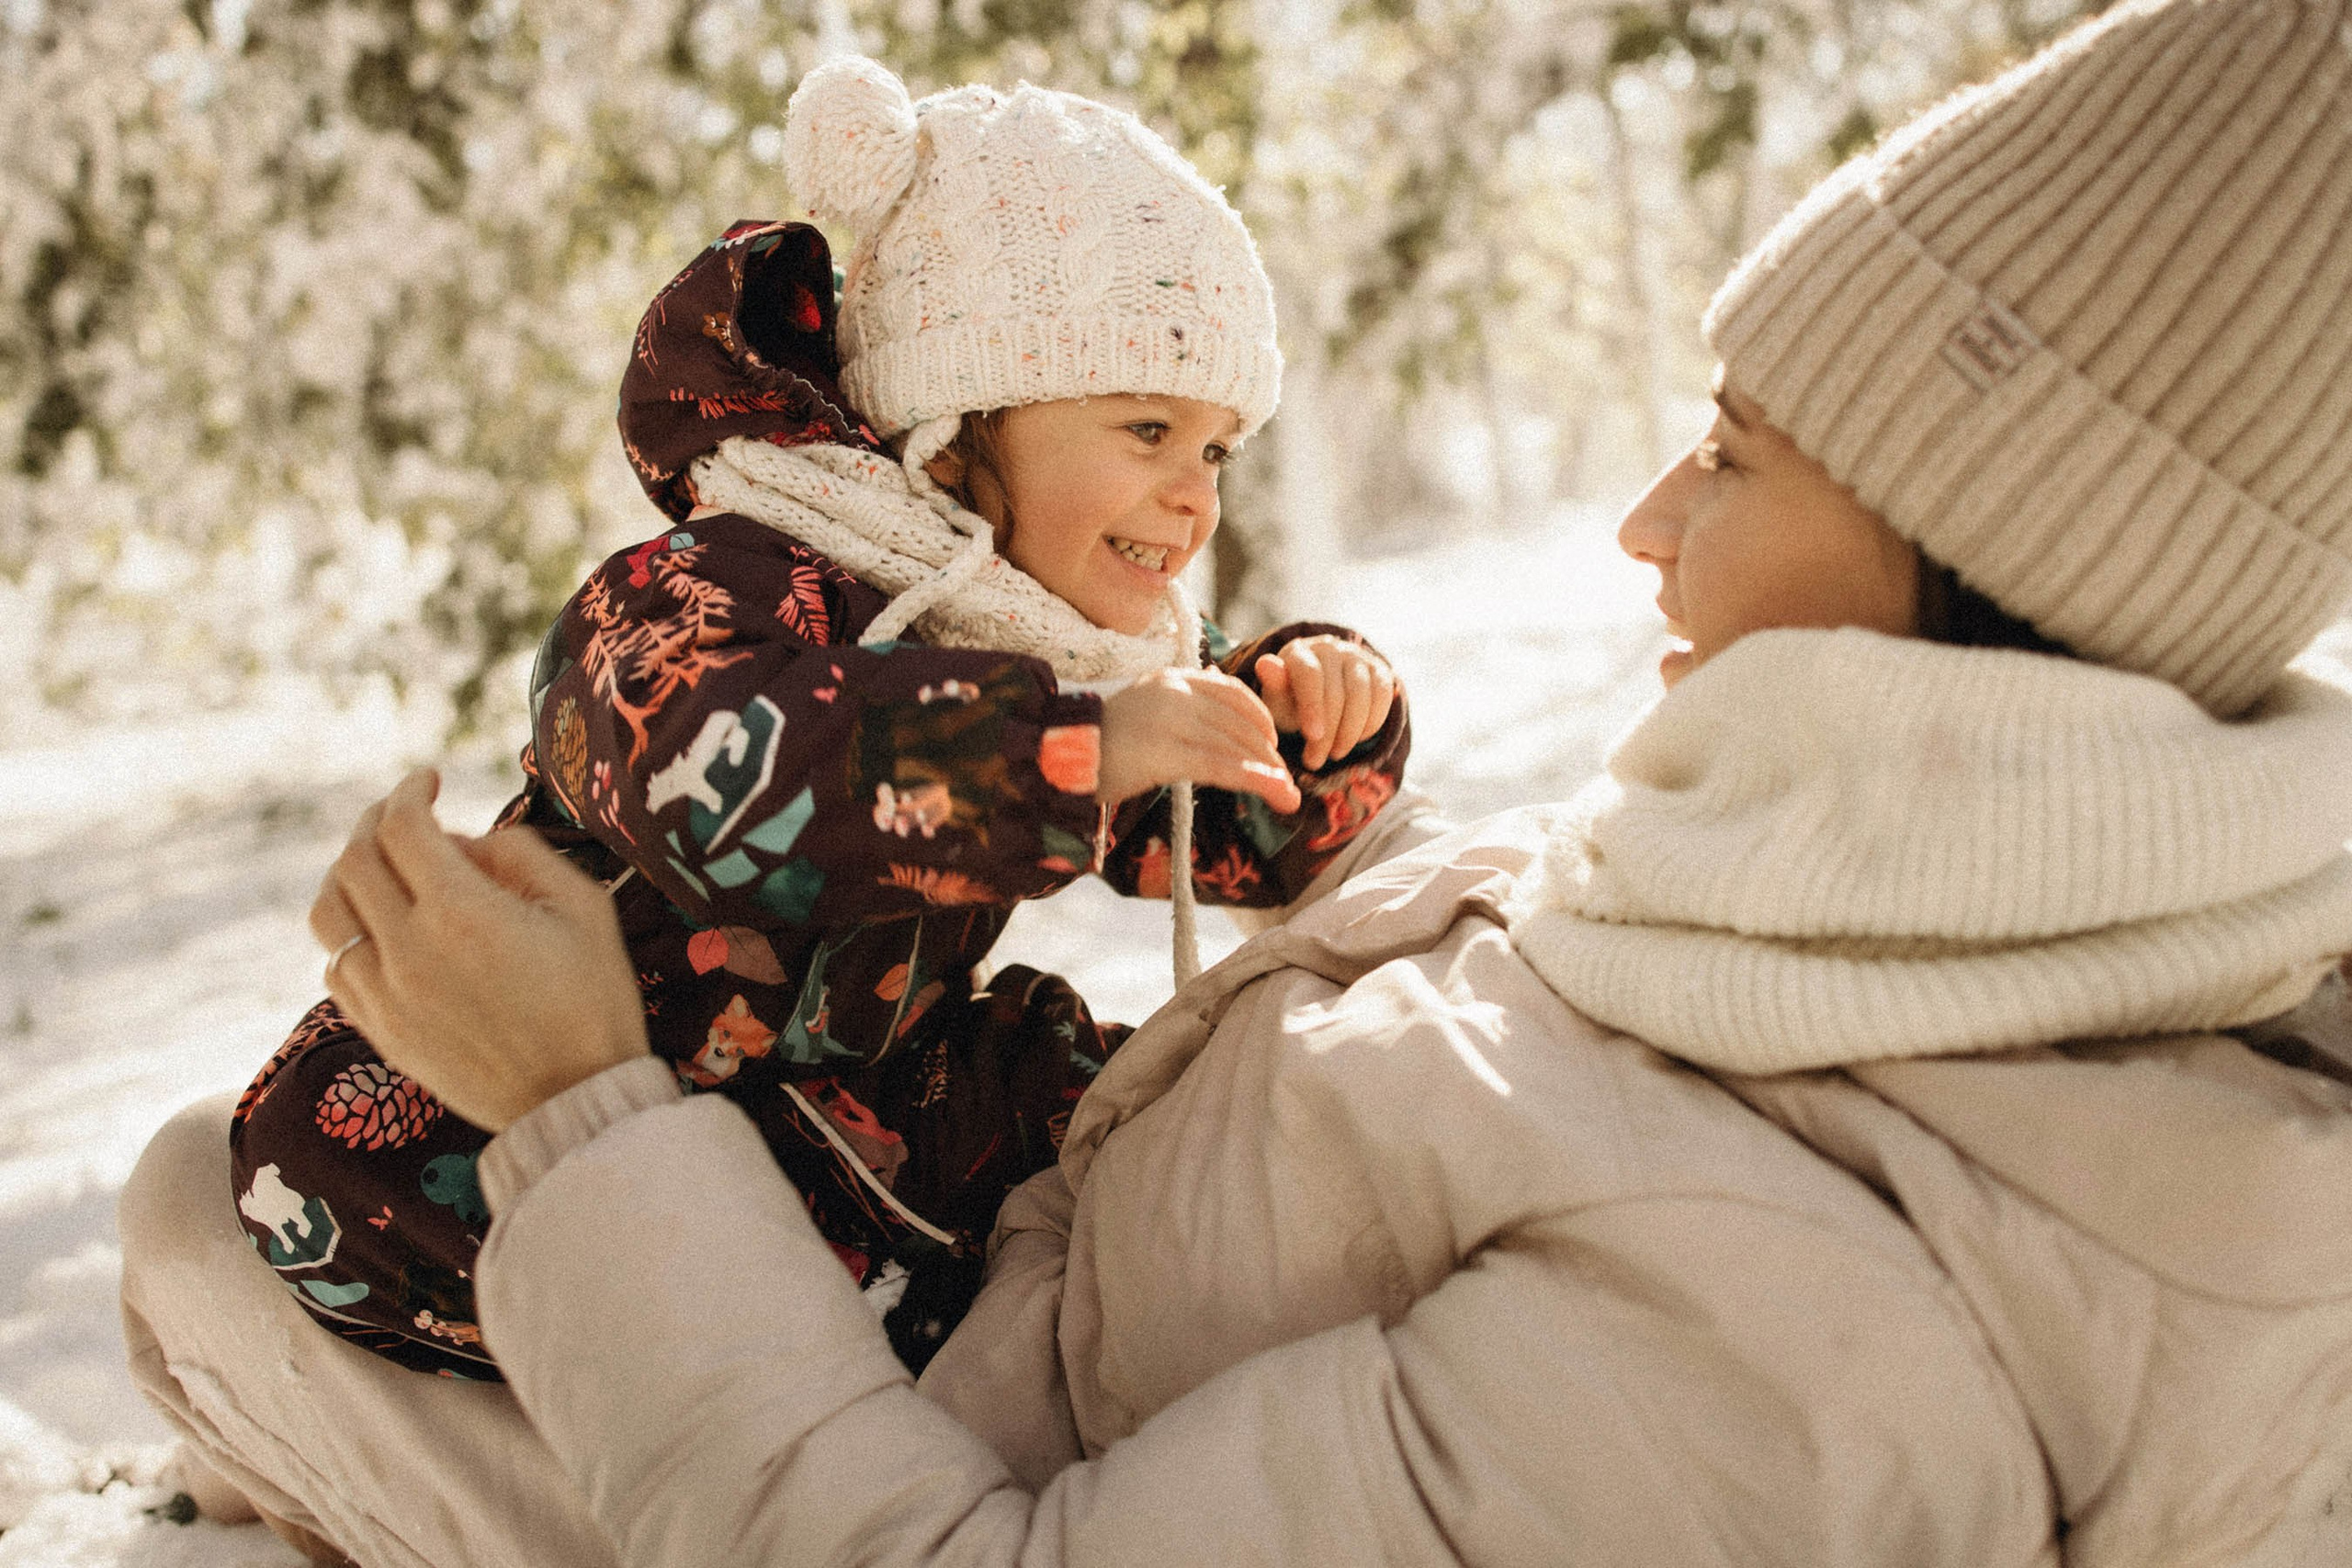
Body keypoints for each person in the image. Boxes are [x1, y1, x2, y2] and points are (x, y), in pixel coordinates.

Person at [123, 0, 2352, 1562]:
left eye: (1738, 455)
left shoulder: (1807, 1342)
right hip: (930, 1204)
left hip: (864, 1357)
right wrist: (1236, 781)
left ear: (1985, 568)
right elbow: (781, 760)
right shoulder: (1915, 875)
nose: (1644, 522)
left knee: (179, 1220)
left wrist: (582, 1111)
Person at [220, 53, 1409, 1394]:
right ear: (955, 425)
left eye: (1216, 449)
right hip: (525, 1098)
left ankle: (1001, 1256)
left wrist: (1309, 723)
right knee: (312, 1153)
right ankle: (799, 1326)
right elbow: (717, 786)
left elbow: (1242, 846)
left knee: (1081, 1083)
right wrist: (1076, 750)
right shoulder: (708, 583)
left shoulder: (1048, 643)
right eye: (1146, 429)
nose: (1195, 499)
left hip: (843, 1099)